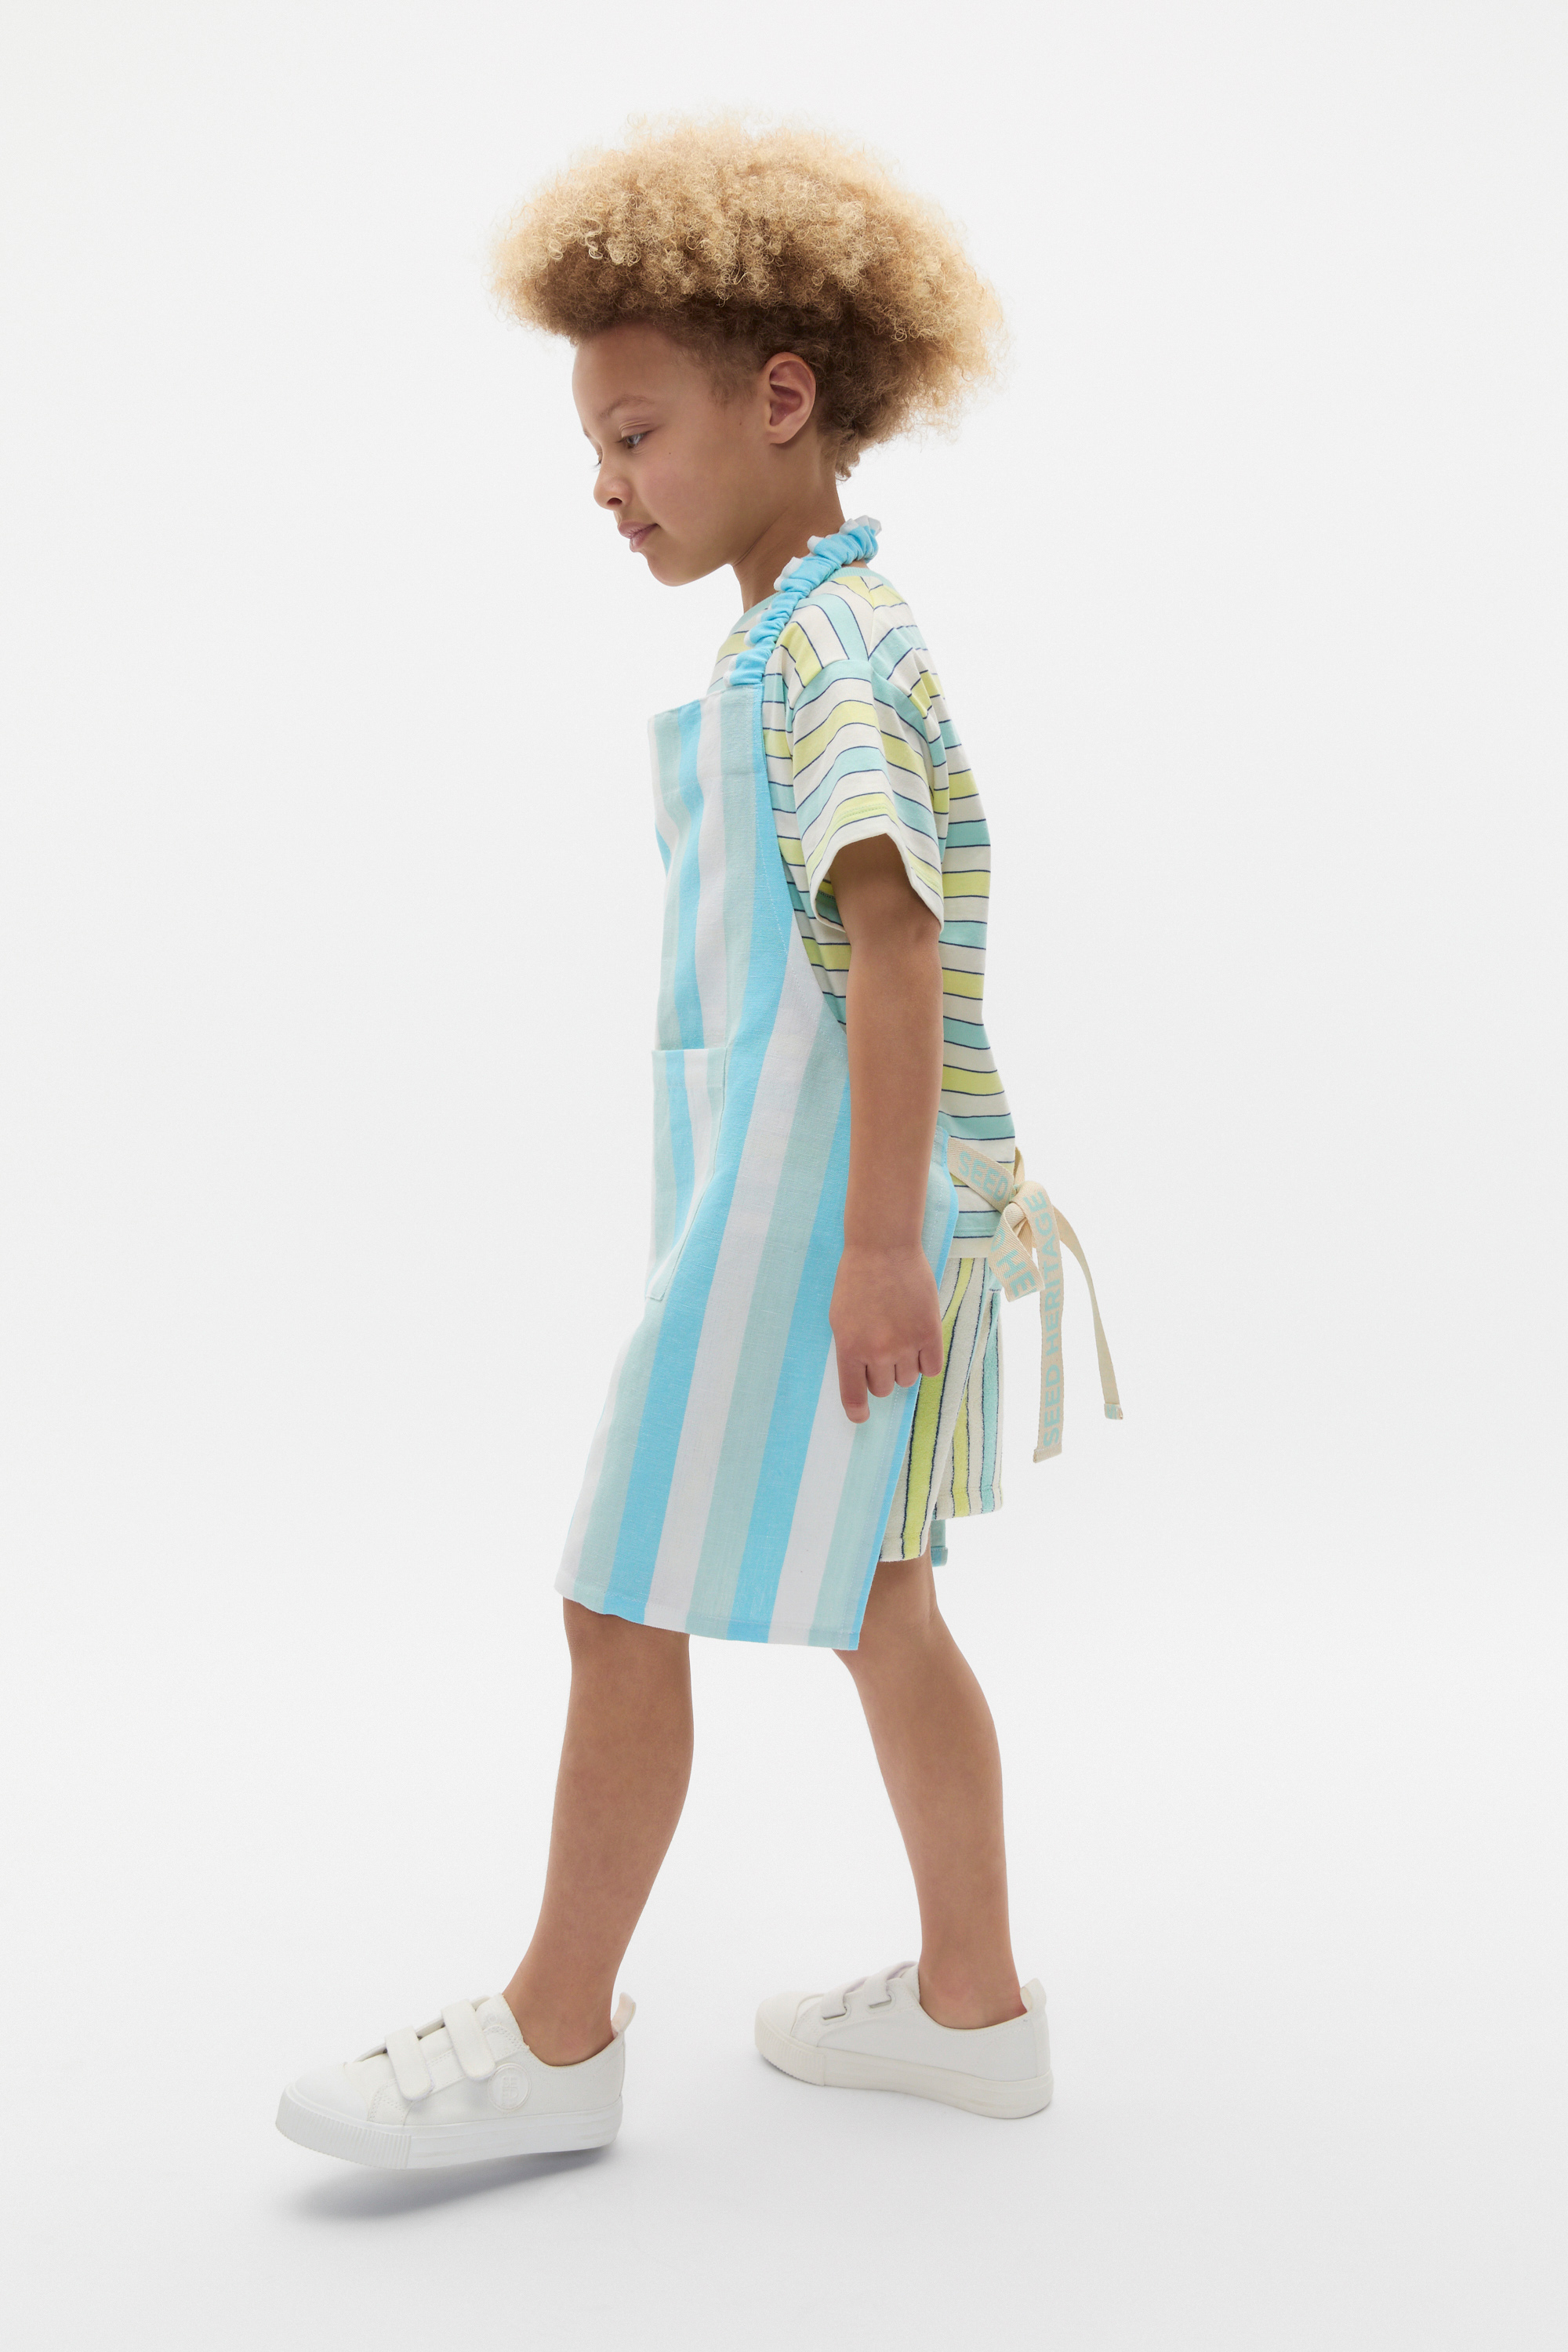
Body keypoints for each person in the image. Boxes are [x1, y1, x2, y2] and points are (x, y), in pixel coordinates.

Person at [276, 114, 1120, 2171]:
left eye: (636, 433)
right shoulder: (810, 629)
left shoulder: (819, 656)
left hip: (807, 1223)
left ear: (783, 400)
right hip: (811, 1205)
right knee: (878, 1599)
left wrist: (873, 1251)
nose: (609, 482)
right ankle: (974, 2006)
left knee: (616, 1592)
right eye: (598, 442)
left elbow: (894, 944)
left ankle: (556, 2039)